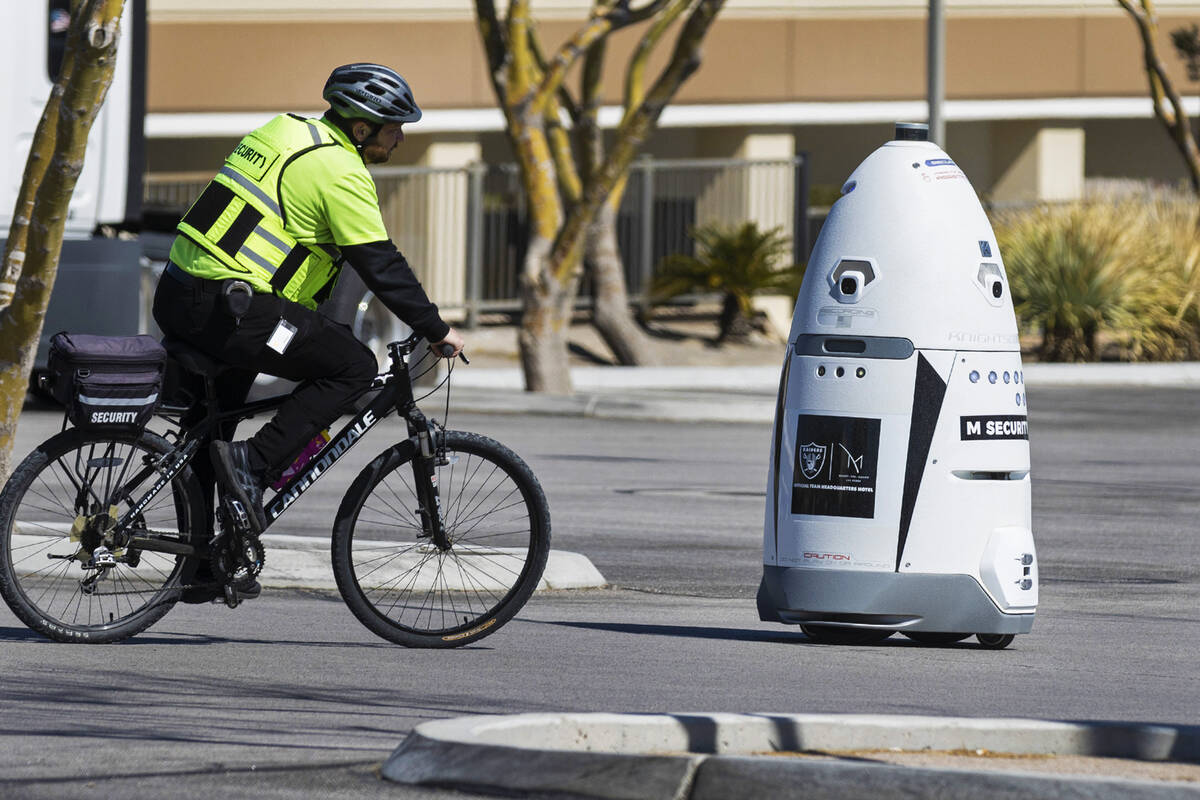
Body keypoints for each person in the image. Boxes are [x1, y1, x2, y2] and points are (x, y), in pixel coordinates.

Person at [153, 63, 463, 600]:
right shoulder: (339, 170)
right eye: (394, 126)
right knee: (354, 366)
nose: (402, 135)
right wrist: (436, 329)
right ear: (361, 127)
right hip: (233, 306)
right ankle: (257, 462)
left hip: (185, 292)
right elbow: (380, 264)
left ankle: (200, 563)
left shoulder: (285, 129)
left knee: (211, 431)